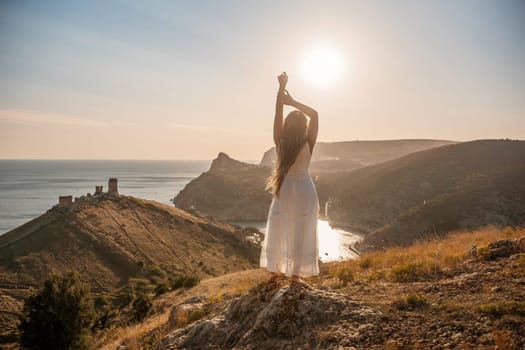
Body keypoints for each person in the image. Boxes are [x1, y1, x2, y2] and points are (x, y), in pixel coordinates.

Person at [260, 72, 320, 281]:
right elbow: (315, 114)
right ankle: (295, 275)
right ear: (303, 127)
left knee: (278, 226)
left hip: (285, 188)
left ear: (286, 126)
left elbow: (277, 113)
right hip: (305, 189)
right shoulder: (309, 142)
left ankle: (275, 271)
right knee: (301, 230)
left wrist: (282, 88)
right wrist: (293, 102)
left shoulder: (280, 142)